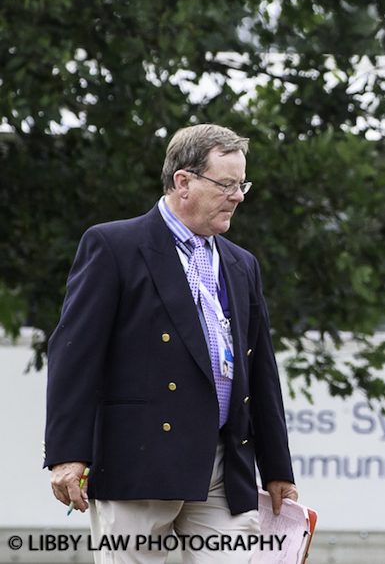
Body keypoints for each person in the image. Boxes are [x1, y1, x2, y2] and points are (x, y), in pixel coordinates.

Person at [45, 124, 297, 564]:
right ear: (183, 182)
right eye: (227, 184)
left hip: (224, 466)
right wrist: (67, 454)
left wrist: (278, 469)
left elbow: (261, 372)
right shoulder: (113, 245)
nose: (238, 196)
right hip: (138, 460)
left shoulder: (242, 264)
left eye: (242, 184)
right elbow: (74, 354)